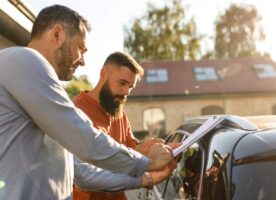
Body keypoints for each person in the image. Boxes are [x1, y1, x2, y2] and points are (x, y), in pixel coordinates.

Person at [0, 5, 174, 200]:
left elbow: (81, 173)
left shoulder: (40, 88)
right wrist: (147, 162)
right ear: (57, 34)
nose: (82, 60)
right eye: (80, 48)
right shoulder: (23, 59)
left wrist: (144, 179)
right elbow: (86, 139)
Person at [72, 52, 179, 200]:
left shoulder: (118, 113)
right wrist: (147, 172)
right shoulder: (76, 112)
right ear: (104, 74)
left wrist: (155, 153)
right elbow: (87, 173)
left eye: (130, 87)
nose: (126, 93)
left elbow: (131, 153)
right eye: (122, 83)